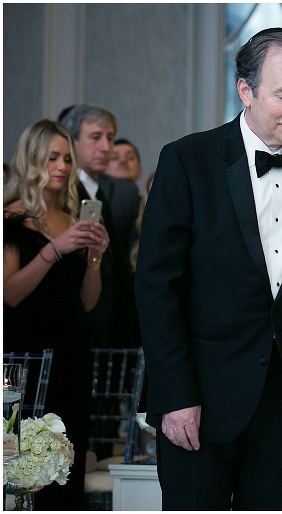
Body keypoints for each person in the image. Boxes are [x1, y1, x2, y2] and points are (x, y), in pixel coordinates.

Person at [134, 27, 282, 510]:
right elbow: (156, 286)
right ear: (245, 90)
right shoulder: (187, 160)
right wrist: (175, 394)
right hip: (200, 397)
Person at [3, 119, 110, 509]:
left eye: (66, 158)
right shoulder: (10, 218)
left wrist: (95, 257)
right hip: (25, 356)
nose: (62, 166)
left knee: (67, 460)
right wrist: (55, 248)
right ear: (32, 161)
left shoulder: (71, 219)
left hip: (71, 353)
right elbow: (10, 294)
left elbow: (86, 301)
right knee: (22, 463)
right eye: (52, 158)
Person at [61, 105, 141, 349]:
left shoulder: (105, 190)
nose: (107, 147)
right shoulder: (63, 191)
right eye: (96, 137)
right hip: (76, 320)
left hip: (109, 320)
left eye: (110, 137)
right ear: (72, 142)